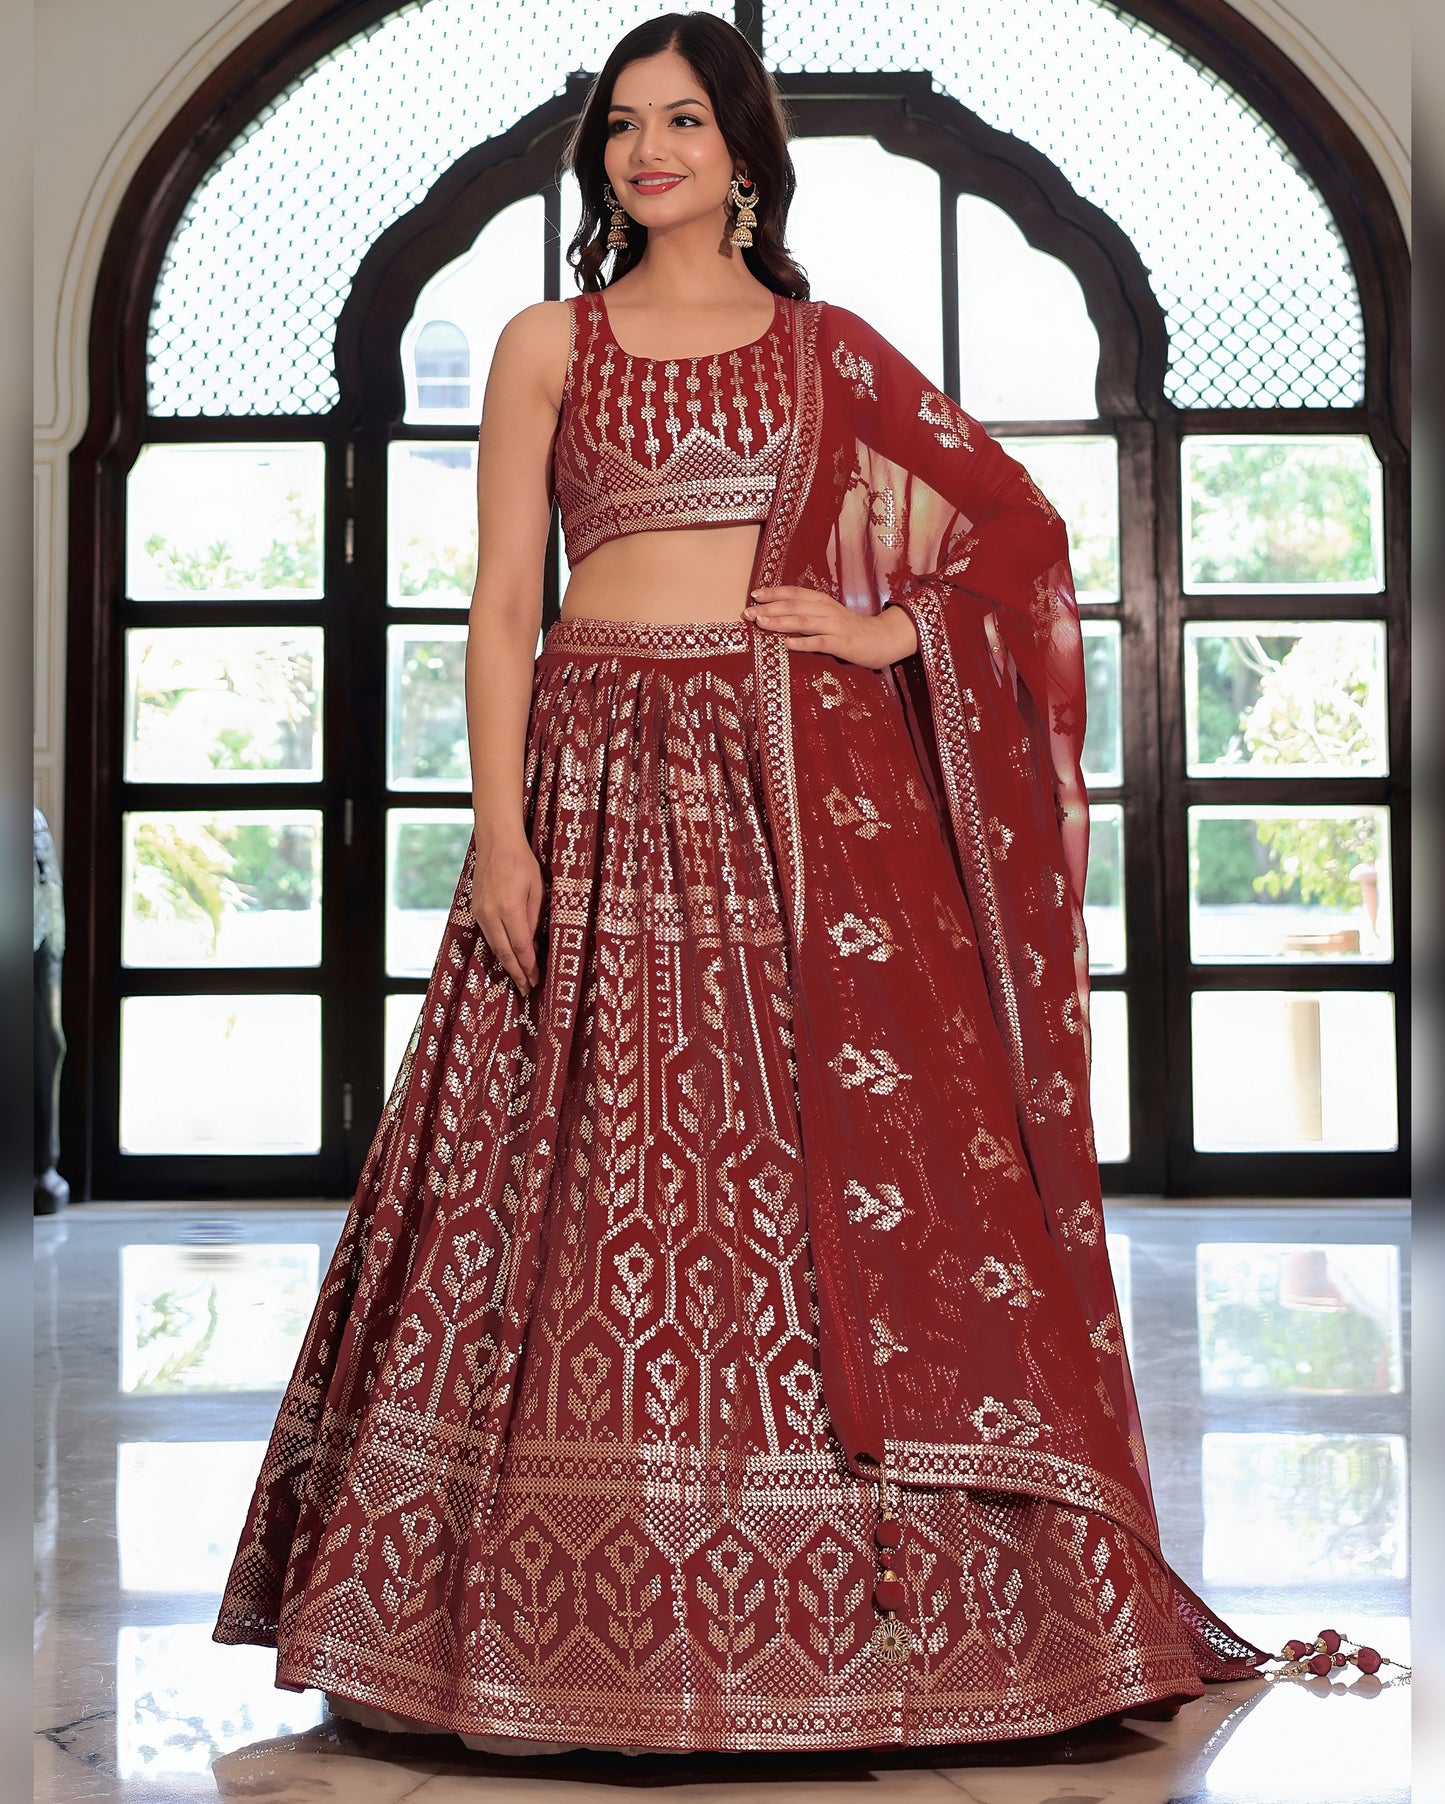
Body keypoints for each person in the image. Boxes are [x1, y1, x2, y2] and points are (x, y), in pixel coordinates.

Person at [213, 11, 1268, 1756]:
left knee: (813, 1160)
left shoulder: (823, 351)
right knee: (565, 1168)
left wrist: (887, 631)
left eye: (683, 122)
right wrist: (498, 830)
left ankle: (881, 1623)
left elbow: (1015, 529)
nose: (647, 152)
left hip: (792, 788)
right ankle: (526, 1626)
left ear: (743, 154)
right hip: (592, 771)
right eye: (623, 126)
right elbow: (501, 600)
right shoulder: (547, 342)